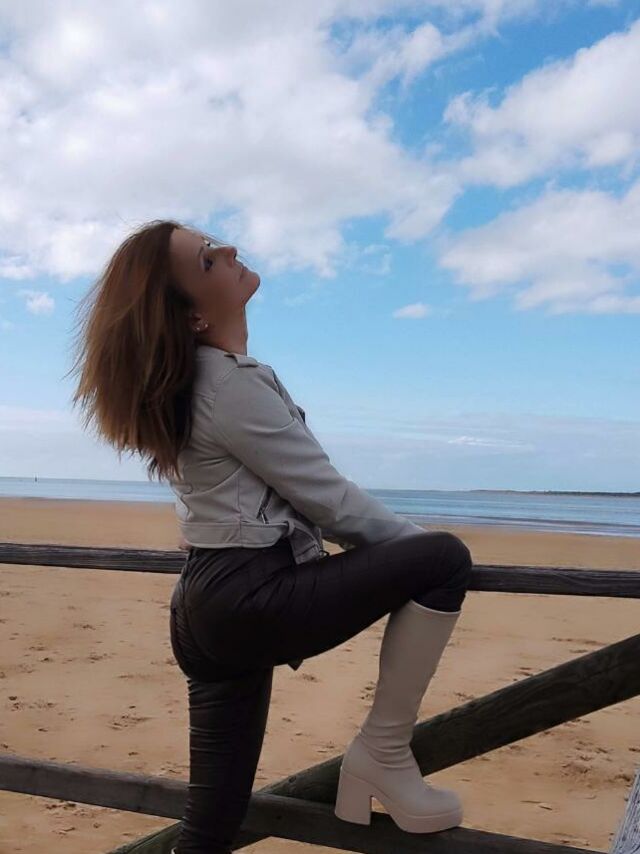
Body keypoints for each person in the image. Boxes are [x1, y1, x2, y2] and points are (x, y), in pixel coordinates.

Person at [68, 219, 474, 854]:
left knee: (211, 828)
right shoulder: (229, 384)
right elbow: (332, 502)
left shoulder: (191, 383)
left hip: (201, 606)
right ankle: (384, 753)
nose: (229, 249)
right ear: (194, 316)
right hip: (247, 598)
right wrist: (415, 553)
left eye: (213, 243)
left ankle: (380, 761)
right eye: (208, 259)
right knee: (445, 559)